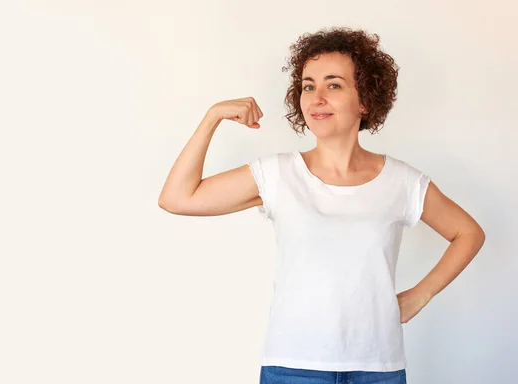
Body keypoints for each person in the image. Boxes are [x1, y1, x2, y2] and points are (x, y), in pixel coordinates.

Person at [158, 27, 485, 384]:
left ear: (365, 100)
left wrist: (420, 295)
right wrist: (212, 117)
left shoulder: (402, 182)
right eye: (308, 86)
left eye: (334, 84)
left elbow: (468, 233)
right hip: (292, 367)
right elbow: (177, 198)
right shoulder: (277, 175)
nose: (316, 97)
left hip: (378, 369)